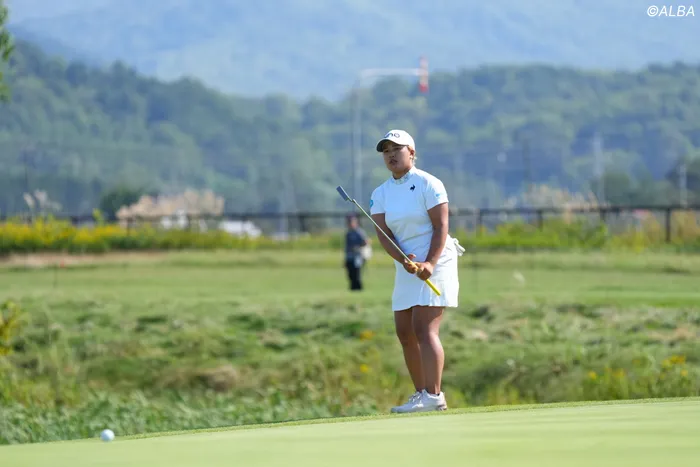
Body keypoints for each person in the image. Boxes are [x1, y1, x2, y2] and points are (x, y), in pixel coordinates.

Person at [369, 129, 464, 413]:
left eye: (396, 149)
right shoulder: (380, 193)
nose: (391, 155)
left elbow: (441, 226)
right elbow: (383, 234)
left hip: (437, 259)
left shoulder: (428, 183)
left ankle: (434, 395)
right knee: (404, 331)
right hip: (407, 263)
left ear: (411, 152)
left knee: (424, 327)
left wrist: (430, 263)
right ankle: (421, 394)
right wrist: (403, 260)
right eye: (386, 151)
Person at [344, 213, 370, 291]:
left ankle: (358, 288)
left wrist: (358, 246)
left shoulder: (359, 232)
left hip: (358, 256)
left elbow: (366, 241)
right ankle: (352, 287)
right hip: (349, 256)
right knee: (350, 272)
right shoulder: (348, 233)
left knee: (357, 272)